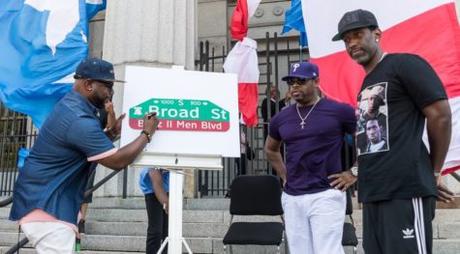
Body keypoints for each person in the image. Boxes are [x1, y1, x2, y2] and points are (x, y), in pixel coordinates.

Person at [333, 9, 454, 254]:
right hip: (374, 191)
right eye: (346, 40)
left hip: (404, 189)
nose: (352, 43)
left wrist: (433, 171)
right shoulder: (367, 83)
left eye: (357, 34)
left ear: (376, 33)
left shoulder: (404, 64)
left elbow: (440, 115)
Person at [9, 58, 159, 254]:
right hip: (47, 208)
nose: (110, 93)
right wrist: (146, 133)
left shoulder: (75, 109)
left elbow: (80, 146)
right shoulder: (78, 118)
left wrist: (111, 134)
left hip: (49, 206)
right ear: (88, 85)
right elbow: (117, 161)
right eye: (107, 86)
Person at [265, 61, 357, 254]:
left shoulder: (339, 111)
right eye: (291, 82)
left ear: (316, 82)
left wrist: (354, 172)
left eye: (301, 81)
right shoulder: (281, 118)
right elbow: (271, 150)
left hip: (326, 193)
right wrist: (284, 176)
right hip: (293, 196)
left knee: (327, 251)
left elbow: (370, 139)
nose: (295, 86)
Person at [79, 98, 117, 234]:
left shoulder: (104, 107)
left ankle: (81, 220)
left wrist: (111, 113)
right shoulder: (80, 104)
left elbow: (111, 128)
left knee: (87, 186)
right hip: (75, 152)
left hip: (92, 153)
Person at [139, 168, 169, 254]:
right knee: (156, 231)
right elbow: (154, 176)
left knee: (168, 231)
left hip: (170, 187)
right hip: (151, 189)